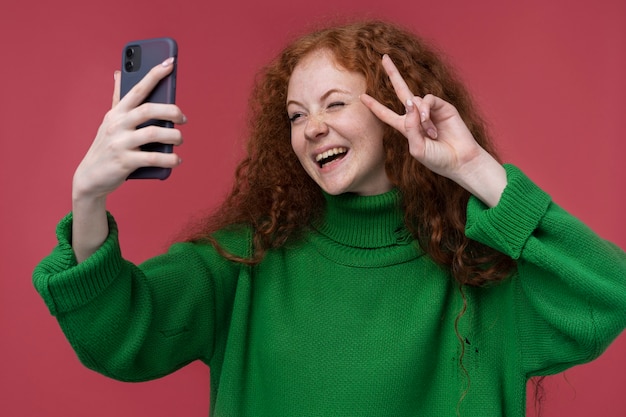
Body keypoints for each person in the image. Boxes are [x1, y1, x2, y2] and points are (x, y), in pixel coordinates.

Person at [33, 20, 626, 416]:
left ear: (396, 113)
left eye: (334, 104)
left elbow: (609, 294)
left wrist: (474, 169)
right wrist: (88, 199)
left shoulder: (481, 271)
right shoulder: (246, 262)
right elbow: (116, 334)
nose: (311, 127)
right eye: (295, 115)